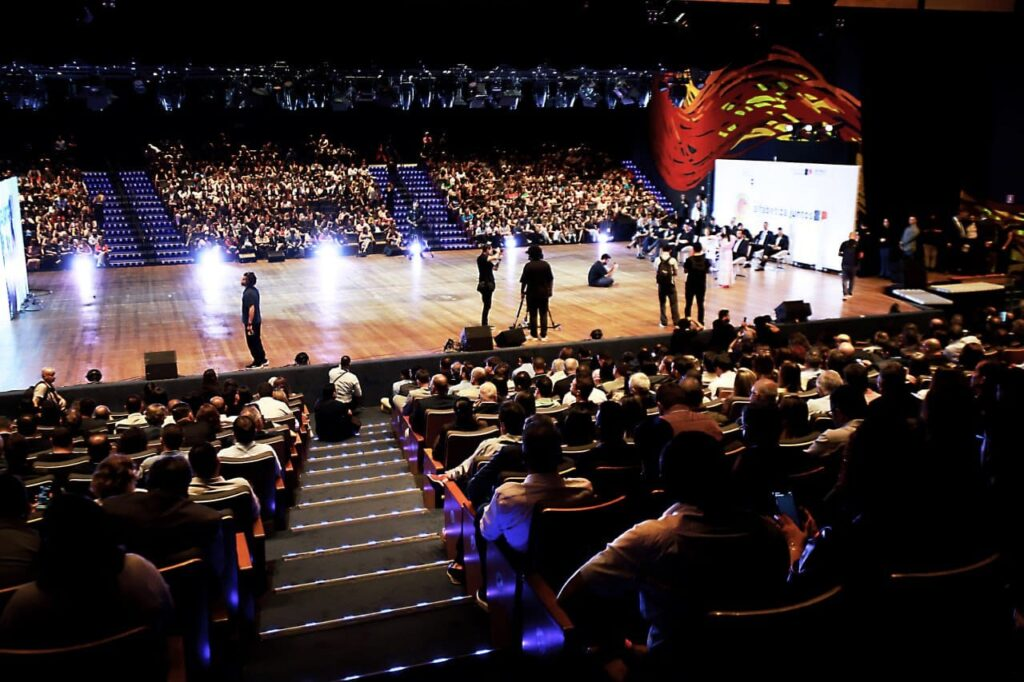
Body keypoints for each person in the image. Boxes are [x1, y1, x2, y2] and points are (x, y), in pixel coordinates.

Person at [520, 244, 554, 341]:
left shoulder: (528, 266)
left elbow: (524, 281)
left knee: (533, 314)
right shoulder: (546, 265)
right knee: (543, 314)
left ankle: (533, 334)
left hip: (532, 293)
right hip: (544, 293)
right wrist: (550, 290)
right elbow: (550, 279)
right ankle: (543, 335)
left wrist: (522, 291)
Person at [240, 271, 268, 368]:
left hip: (252, 323)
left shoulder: (249, 293)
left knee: (252, 342)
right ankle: (262, 359)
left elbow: (251, 308)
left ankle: (258, 362)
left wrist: (249, 323)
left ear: (248, 281)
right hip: (256, 321)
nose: (241, 280)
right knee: (257, 340)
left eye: (244, 279)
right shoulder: (254, 290)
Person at [682, 242, 709, 324]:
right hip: (701, 284)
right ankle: (701, 322)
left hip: (691, 283)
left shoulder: (689, 259)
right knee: (700, 304)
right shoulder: (706, 260)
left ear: (693, 249)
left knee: (688, 304)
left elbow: (685, 271)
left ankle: (687, 321)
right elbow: (707, 271)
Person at [655, 244, 680, 328]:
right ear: (670, 250)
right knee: (674, 303)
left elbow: (656, 271)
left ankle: (663, 322)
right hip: (670, 284)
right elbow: (675, 273)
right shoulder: (673, 260)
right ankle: (676, 322)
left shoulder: (657, 259)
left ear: (662, 249)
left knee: (662, 303)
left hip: (661, 285)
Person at [477, 244, 501, 326]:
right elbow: (494, 257)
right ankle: (484, 323)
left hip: (488, 283)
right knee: (487, 305)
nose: (491, 251)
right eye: (490, 249)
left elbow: (495, 268)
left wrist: (499, 261)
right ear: (487, 249)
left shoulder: (486, 259)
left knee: (487, 305)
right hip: (485, 284)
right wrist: (498, 252)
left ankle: (484, 322)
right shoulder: (482, 258)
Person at [838, 231, 860, 300]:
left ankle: (845, 293)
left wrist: (845, 255)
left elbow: (839, 253)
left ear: (849, 236)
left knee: (844, 279)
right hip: (854, 264)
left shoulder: (844, 243)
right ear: (856, 237)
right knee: (852, 279)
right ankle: (850, 293)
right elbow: (860, 256)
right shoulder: (858, 245)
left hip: (845, 263)